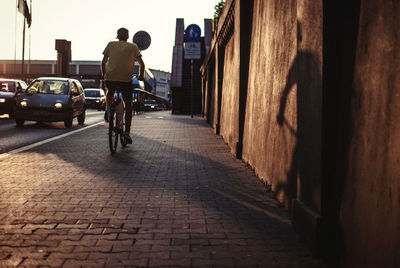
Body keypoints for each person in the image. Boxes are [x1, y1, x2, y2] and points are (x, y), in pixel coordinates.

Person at [101, 27, 145, 144]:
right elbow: (141, 63)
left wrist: (104, 74)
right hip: (125, 80)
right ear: (127, 36)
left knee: (110, 93)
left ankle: (109, 110)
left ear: (117, 35)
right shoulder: (133, 47)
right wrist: (140, 76)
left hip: (111, 79)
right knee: (129, 104)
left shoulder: (110, 44)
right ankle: (127, 133)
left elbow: (104, 61)